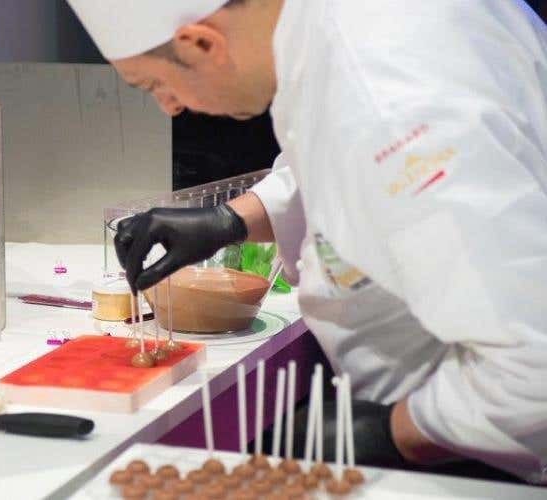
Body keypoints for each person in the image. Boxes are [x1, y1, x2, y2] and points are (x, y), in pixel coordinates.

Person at [67, 0, 547, 484]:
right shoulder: (336, 29)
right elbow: (345, 159)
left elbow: (535, 364)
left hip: (478, 453)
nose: (168, 106)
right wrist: (230, 220)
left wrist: (389, 435)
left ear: (201, 43)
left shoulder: (389, 95)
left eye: (154, 84)